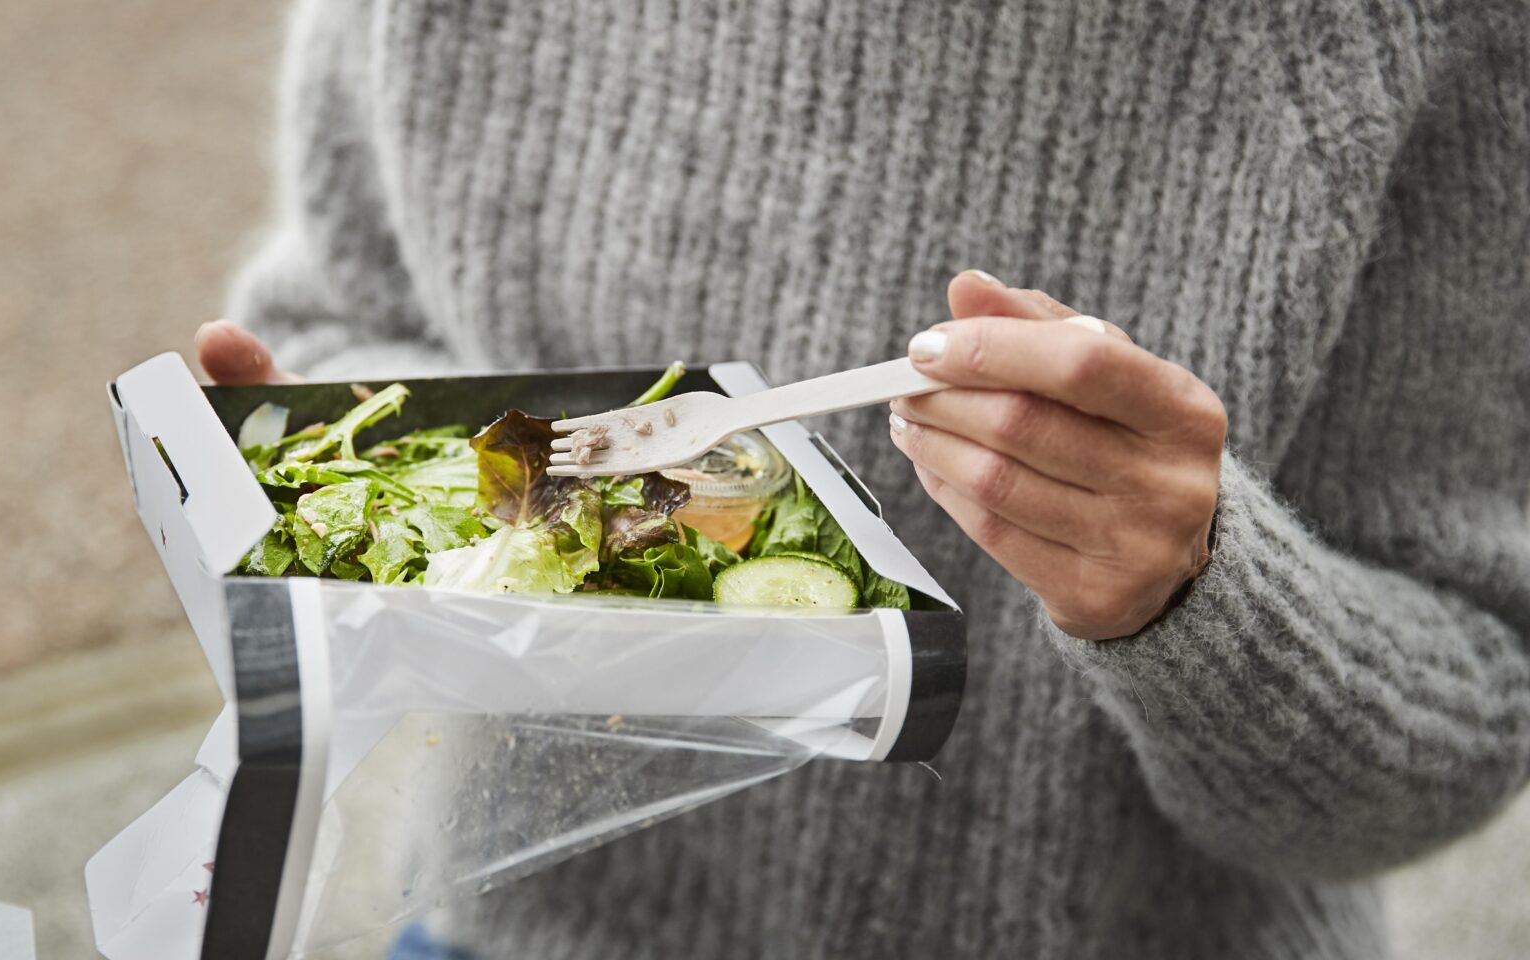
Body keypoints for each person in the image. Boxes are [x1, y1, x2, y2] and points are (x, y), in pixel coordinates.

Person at [195, 1, 1530, 956]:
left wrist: (1194, 596)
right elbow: (334, 319)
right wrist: (382, 477)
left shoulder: (1381, 35)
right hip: (508, 926)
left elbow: (1470, 701)